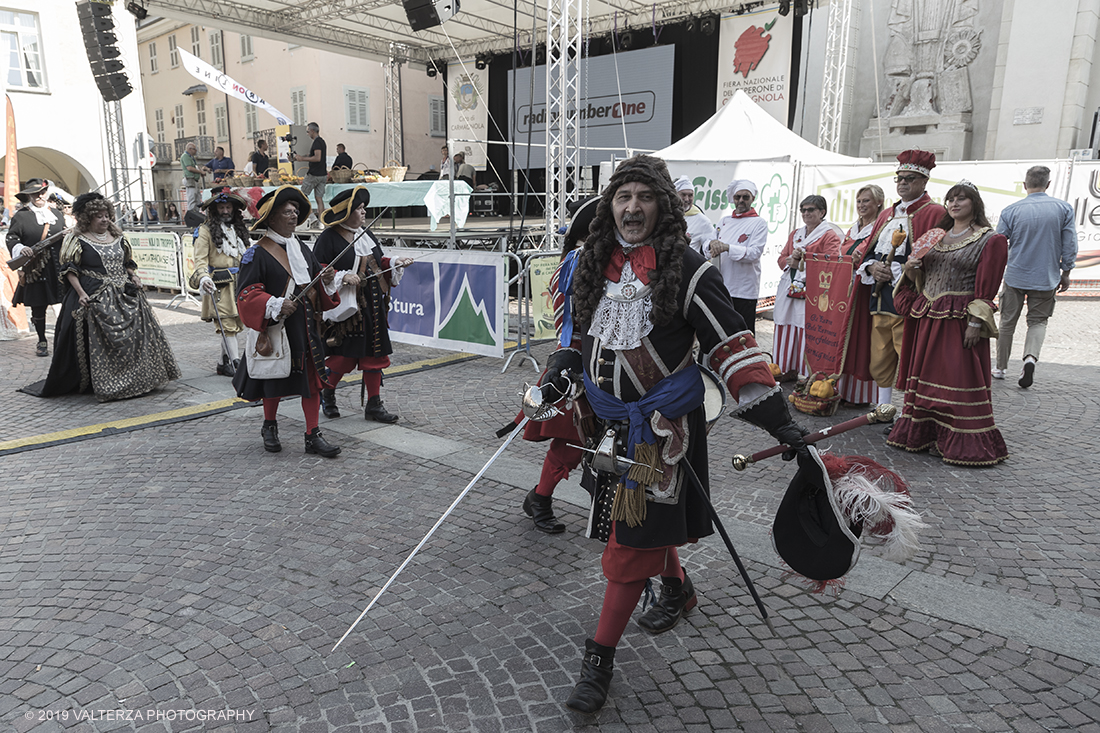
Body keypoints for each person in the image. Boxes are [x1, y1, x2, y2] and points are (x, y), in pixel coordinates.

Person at [552, 155, 810, 713]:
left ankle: (598, 659)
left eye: (645, 196)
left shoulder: (690, 270)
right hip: (608, 424)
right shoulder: (594, 263)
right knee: (639, 525)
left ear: (663, 206)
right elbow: (577, 331)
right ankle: (679, 588)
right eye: (623, 196)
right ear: (609, 206)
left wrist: (778, 418)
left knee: (628, 543)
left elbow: (731, 345)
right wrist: (564, 361)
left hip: (660, 432)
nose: (632, 207)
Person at [888, 180, 1008, 466]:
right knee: (929, 381)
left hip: (958, 318)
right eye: (951, 199)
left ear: (974, 204)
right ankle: (926, 435)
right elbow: (923, 278)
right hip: (928, 317)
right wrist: (911, 269)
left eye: (962, 199)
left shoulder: (989, 239)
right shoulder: (934, 236)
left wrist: (975, 324)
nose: (955, 204)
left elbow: (988, 286)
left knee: (956, 377)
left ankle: (960, 440)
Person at [23, 193, 181, 400]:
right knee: (98, 341)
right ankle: (103, 381)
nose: (105, 219)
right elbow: (70, 270)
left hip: (125, 294)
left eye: (106, 215)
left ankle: (139, 378)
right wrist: (80, 293)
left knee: (135, 338)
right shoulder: (76, 239)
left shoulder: (118, 236)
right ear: (88, 218)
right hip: (94, 294)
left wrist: (133, 276)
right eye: (99, 216)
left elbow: (127, 262)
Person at [232, 185, 342, 457]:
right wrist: (275, 304)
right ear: (271, 219)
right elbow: (246, 294)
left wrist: (326, 280)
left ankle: (312, 435)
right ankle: (269, 426)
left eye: (295, 212)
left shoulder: (303, 249)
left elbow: (316, 281)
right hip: (278, 328)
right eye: (287, 212)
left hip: (306, 328)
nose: (294, 216)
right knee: (273, 380)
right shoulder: (256, 253)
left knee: (313, 382)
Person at [512, 195, 599, 534]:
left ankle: (607, 508)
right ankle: (540, 498)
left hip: (612, 369)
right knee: (572, 440)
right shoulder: (575, 264)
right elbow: (574, 321)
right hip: (578, 365)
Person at [314, 186, 413, 423]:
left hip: (373, 308)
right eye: (359, 209)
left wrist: (396, 261)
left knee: (374, 356)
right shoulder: (328, 238)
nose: (364, 212)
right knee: (343, 357)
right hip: (348, 310)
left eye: (363, 208)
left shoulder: (365, 233)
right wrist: (342, 276)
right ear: (346, 212)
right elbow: (317, 270)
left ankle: (374, 405)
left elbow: (377, 262)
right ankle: (327, 393)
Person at [857, 150, 945, 409]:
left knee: (908, 355)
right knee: (880, 355)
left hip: (910, 297)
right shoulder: (886, 215)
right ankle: (883, 408)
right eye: (899, 178)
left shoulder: (935, 212)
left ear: (924, 182)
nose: (903, 183)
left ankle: (910, 411)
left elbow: (938, 257)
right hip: (880, 295)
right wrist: (872, 268)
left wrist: (905, 272)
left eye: (909, 178)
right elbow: (869, 251)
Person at [994, 165, 1077, 389]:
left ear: (1025, 185)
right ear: (1048, 184)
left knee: (1007, 323)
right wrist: (1066, 271)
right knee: (1038, 321)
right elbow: (1069, 243)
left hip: (1016, 274)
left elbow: (998, 244)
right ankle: (1030, 358)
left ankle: (1000, 368)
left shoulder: (1011, 210)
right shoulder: (1063, 209)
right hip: (1046, 275)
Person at [773, 195, 843, 380]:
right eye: (803, 210)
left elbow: (831, 264)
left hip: (813, 291)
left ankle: (809, 372)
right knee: (786, 326)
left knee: (806, 329)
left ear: (822, 212)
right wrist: (789, 262)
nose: (805, 213)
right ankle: (786, 368)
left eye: (810, 210)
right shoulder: (796, 234)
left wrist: (803, 262)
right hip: (790, 286)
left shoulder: (829, 236)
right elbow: (782, 258)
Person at [190, 187, 249, 377]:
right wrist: (203, 277)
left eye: (228, 207)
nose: (225, 211)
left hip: (239, 281)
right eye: (221, 207)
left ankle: (222, 362)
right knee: (227, 323)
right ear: (214, 210)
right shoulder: (205, 231)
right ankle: (235, 362)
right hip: (219, 284)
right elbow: (199, 261)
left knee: (234, 323)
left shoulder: (238, 230)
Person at [835, 184, 885, 405]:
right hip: (846, 289)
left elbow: (869, 256)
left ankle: (861, 395)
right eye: (859, 201)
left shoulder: (879, 228)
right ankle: (842, 389)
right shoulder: (853, 229)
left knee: (860, 338)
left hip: (864, 290)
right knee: (845, 337)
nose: (862, 205)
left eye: (867, 201)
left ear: (878, 203)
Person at [7, 179, 66, 357]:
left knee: (66, 304)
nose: (39, 196)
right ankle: (41, 340)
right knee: (38, 307)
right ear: (29, 196)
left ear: (46, 192)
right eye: (35, 194)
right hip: (36, 268)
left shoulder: (56, 213)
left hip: (58, 267)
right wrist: (21, 248)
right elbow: (12, 238)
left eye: (41, 192)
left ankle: (64, 340)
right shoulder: (21, 215)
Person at [704, 178, 766, 334]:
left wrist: (726, 247)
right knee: (719, 331)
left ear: (752, 199)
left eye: (746, 197)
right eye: (738, 197)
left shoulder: (759, 223)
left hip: (743, 290)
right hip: (721, 287)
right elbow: (707, 247)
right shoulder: (724, 221)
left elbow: (754, 253)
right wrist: (712, 245)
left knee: (742, 333)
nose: (741, 200)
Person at [673, 176, 717, 256]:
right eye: (683, 195)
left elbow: (711, 250)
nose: (686, 199)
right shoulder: (663, 215)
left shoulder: (702, 221)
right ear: (674, 195)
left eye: (690, 195)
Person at [294, 123, 328, 224]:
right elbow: (313, 155)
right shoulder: (322, 142)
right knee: (319, 198)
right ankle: (321, 222)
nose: (307, 134)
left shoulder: (317, 142)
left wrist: (302, 159)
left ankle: (312, 217)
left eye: (308, 131)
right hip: (322, 174)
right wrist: (299, 157)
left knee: (303, 195)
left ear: (312, 131)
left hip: (314, 174)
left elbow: (317, 157)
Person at [180, 141, 203, 214]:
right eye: (194, 149)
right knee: (192, 198)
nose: (195, 151)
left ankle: (195, 214)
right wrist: (200, 172)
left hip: (193, 179)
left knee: (197, 199)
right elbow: (189, 168)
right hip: (190, 179)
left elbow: (195, 167)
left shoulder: (191, 157)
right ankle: (191, 215)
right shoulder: (185, 156)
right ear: (190, 149)